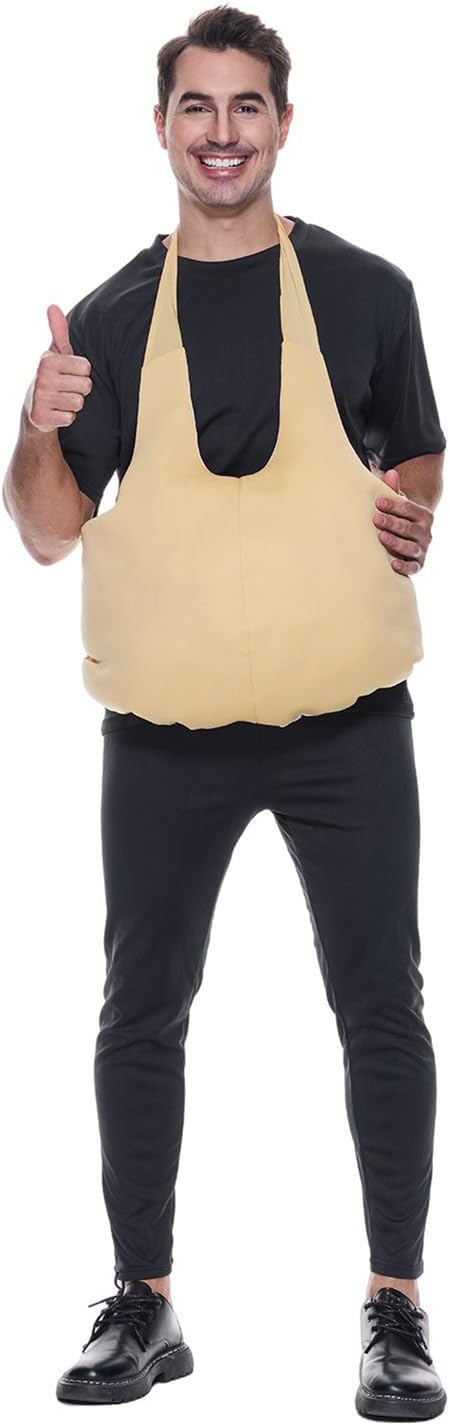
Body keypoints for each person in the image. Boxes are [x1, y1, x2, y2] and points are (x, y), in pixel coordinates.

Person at [3, 5, 447, 1416]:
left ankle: (394, 1305)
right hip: (165, 742)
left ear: (282, 123)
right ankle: (143, 1302)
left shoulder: (370, 291)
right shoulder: (110, 320)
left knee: (380, 1003)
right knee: (141, 1010)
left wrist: (409, 509)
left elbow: (418, 451)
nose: (220, 132)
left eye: (246, 104)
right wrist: (39, 420)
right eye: (195, 106)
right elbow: (47, 533)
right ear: (161, 127)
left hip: (347, 729)